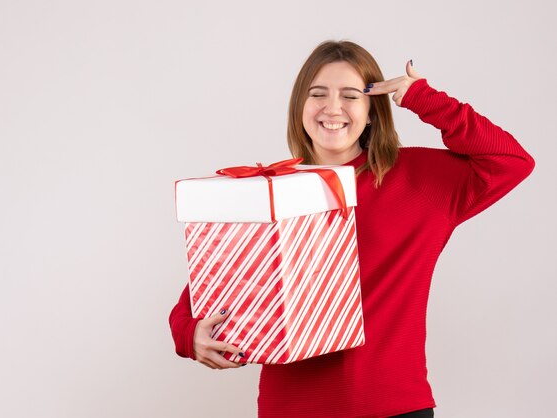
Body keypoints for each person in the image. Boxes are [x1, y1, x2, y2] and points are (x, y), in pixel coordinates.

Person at [168, 40, 535, 418]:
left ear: (372, 110)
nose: (332, 108)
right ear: (300, 108)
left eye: (350, 95)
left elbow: (511, 161)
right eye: (318, 94)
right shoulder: (271, 191)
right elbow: (211, 283)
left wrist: (425, 99)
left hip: (393, 407)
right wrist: (188, 333)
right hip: (290, 409)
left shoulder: (421, 181)